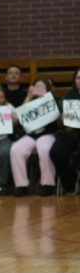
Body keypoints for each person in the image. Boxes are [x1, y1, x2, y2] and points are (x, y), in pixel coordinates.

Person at [9, 77, 59, 197]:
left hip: (47, 133)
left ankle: (47, 184)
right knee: (16, 149)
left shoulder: (53, 101)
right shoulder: (30, 101)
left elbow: (56, 116)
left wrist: (44, 98)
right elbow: (18, 116)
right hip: (31, 134)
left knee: (44, 149)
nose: (39, 89)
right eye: (37, 87)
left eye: (42, 87)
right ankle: (21, 186)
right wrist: (29, 96)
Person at [49, 67, 80, 195]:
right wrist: (64, 122)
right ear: (75, 80)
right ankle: (70, 181)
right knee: (56, 152)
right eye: (78, 78)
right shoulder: (68, 96)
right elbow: (59, 121)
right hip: (70, 133)